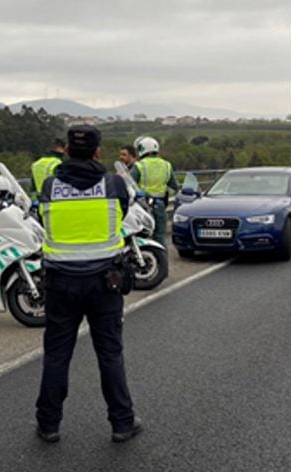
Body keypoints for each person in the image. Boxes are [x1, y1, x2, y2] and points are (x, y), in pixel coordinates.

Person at [35, 125, 142, 444]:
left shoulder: (50, 186)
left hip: (60, 284)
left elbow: (44, 221)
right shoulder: (113, 184)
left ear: (66, 150)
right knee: (109, 354)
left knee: (56, 355)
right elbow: (123, 215)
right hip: (104, 283)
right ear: (97, 152)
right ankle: (122, 423)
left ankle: (48, 424)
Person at [131, 136, 179, 245]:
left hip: (142, 206)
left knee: (141, 236)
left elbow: (129, 184)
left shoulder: (139, 166)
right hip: (160, 205)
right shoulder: (167, 165)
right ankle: (162, 260)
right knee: (160, 236)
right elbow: (174, 187)